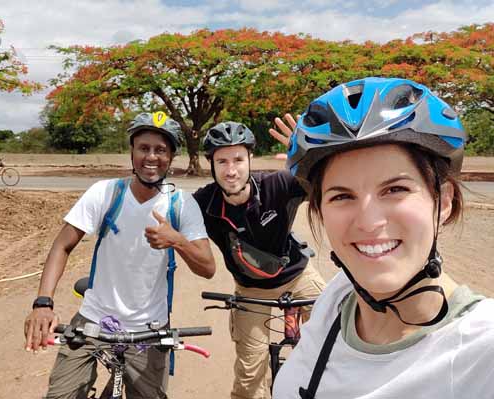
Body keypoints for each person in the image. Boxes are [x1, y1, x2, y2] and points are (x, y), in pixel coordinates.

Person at [271, 77, 494, 399]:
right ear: (319, 210)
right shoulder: (336, 299)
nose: (369, 222)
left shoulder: (481, 349)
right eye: (341, 196)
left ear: (443, 202)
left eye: (395, 189)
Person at [24, 111, 216, 399]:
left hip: (149, 329)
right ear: (132, 152)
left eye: (161, 150)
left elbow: (208, 267)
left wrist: (176, 240)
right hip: (93, 320)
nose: (152, 157)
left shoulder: (181, 204)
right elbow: (62, 245)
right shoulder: (105, 193)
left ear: (171, 157)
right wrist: (42, 303)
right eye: (144, 148)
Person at [193, 121, 325, 399]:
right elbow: (163, 214)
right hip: (251, 290)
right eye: (222, 161)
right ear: (211, 164)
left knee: (332, 341)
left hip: (299, 275)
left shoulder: (277, 184)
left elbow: (328, 180)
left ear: (250, 158)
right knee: (250, 373)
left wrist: (308, 154)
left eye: (239, 159)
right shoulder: (203, 204)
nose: (231, 170)